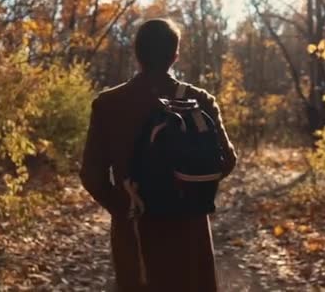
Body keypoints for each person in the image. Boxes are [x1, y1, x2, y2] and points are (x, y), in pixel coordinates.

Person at [79, 18, 237, 292]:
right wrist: (188, 187)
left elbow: (92, 175)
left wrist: (124, 207)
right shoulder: (199, 100)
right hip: (190, 227)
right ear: (175, 56)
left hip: (136, 232)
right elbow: (227, 160)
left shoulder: (108, 104)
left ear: (136, 54)